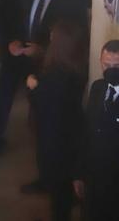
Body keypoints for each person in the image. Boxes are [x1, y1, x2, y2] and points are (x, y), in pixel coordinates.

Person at [0, 0, 84, 154]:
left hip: (48, 62)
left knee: (44, 110)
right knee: (3, 90)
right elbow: (5, 18)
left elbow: (73, 37)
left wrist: (43, 51)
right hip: (19, 54)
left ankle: (46, 155)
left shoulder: (70, 0)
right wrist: (11, 41)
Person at [24, 19, 87, 219]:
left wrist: (32, 86)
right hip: (70, 137)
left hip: (55, 142)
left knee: (59, 201)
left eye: (53, 36)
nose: (50, 38)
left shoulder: (55, 76)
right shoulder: (76, 67)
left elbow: (42, 104)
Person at [73, 40, 119, 221]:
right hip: (93, 179)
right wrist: (79, 173)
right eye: (106, 64)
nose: (111, 70)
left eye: (117, 66)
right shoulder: (97, 88)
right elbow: (86, 133)